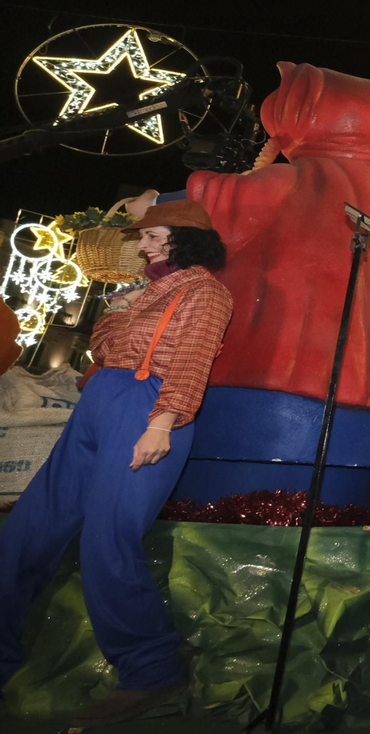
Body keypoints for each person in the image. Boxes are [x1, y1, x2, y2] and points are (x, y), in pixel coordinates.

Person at [0, 200, 233, 728]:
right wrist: (126, 310)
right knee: (28, 531)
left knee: (108, 537)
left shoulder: (204, 291)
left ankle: (151, 670)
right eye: (144, 236)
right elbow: (102, 347)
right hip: (100, 403)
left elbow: (193, 357)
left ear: (184, 237)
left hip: (147, 407)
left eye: (154, 235)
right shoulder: (144, 292)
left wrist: (162, 422)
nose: (145, 244)